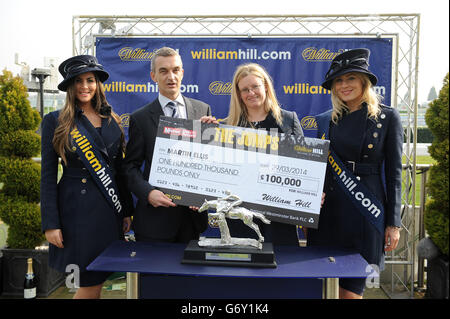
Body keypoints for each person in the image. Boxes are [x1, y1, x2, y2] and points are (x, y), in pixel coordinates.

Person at [307, 48, 402, 299]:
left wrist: (393, 223)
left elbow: (394, 174)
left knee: (350, 293)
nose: (344, 85)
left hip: (366, 211)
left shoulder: (387, 117)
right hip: (329, 214)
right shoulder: (324, 120)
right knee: (324, 289)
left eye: (350, 78)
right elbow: (318, 170)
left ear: (364, 81)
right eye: (338, 80)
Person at [40, 55, 133, 299]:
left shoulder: (112, 120)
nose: (84, 86)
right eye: (78, 81)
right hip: (75, 213)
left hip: (107, 210)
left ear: (98, 83)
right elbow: (48, 176)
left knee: (99, 278)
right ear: (70, 87)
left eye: (90, 80)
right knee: (86, 281)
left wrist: (125, 211)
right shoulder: (56, 121)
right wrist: (51, 223)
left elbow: (120, 171)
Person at [123, 47, 213, 243]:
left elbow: (209, 162)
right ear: (153, 76)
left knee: (188, 273)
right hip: (155, 221)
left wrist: (215, 139)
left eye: (175, 70)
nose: (171, 76)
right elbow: (130, 167)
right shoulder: (141, 118)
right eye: (163, 71)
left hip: (192, 219)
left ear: (182, 72)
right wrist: (148, 193)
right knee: (154, 275)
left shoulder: (202, 110)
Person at [225, 63, 304, 245]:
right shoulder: (230, 126)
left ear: (266, 87)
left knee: (281, 266)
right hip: (242, 214)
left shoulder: (288, 120)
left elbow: (302, 165)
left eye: (255, 87)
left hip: (279, 215)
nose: (251, 93)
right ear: (239, 95)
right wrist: (204, 129)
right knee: (244, 269)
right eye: (245, 89)